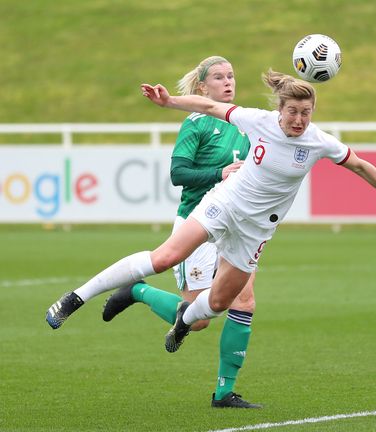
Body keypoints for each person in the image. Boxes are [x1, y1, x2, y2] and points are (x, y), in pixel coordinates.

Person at [46, 70, 376, 396]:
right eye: (293, 112)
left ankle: (182, 322)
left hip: (254, 233)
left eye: (305, 113)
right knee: (165, 257)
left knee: (214, 307)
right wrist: (169, 103)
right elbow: (211, 106)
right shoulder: (259, 121)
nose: (298, 120)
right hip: (224, 205)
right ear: (280, 110)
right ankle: (74, 298)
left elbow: (361, 165)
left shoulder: (319, 141)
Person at [97, 56, 260, 408]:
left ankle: (223, 392)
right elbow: (179, 174)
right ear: (202, 87)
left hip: (235, 225)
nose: (228, 81)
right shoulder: (196, 124)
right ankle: (136, 290)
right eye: (218, 77)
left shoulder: (247, 122)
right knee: (197, 318)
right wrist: (221, 173)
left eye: (231, 75)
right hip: (196, 223)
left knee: (244, 300)